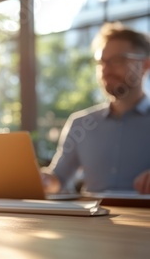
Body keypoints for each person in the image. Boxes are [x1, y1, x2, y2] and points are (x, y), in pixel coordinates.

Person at [41, 22, 150, 194]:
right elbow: (58, 179)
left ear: (145, 65)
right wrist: (41, 180)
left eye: (117, 60)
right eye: (102, 62)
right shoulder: (80, 123)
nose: (105, 70)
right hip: (93, 219)